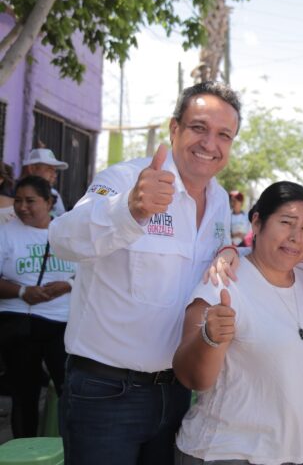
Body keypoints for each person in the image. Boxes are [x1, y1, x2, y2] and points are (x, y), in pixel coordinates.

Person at [48, 81, 241, 464]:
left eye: (224, 135)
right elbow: (63, 240)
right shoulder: (125, 180)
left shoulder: (219, 200)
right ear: (174, 129)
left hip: (175, 394)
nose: (209, 143)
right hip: (107, 392)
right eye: (199, 127)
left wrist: (231, 250)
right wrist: (129, 210)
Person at [174, 182, 303, 465]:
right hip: (226, 453)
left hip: (287, 454)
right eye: (286, 222)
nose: (296, 236)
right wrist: (209, 337)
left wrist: (230, 248)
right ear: (257, 222)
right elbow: (192, 377)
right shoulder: (223, 281)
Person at [0, 176, 76, 436]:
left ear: (49, 202)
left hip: (61, 324)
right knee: (24, 395)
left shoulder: (68, 232)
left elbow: (93, 271)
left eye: (30, 201)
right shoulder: (5, 232)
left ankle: (70, 449)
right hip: (19, 324)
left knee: (69, 391)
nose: (22, 207)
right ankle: (25, 448)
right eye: (18, 201)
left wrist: (68, 285)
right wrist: (21, 290)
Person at [21, 148, 68, 216]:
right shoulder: (14, 193)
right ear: (32, 169)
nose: (54, 175)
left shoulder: (54, 194)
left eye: (55, 171)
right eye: (49, 169)